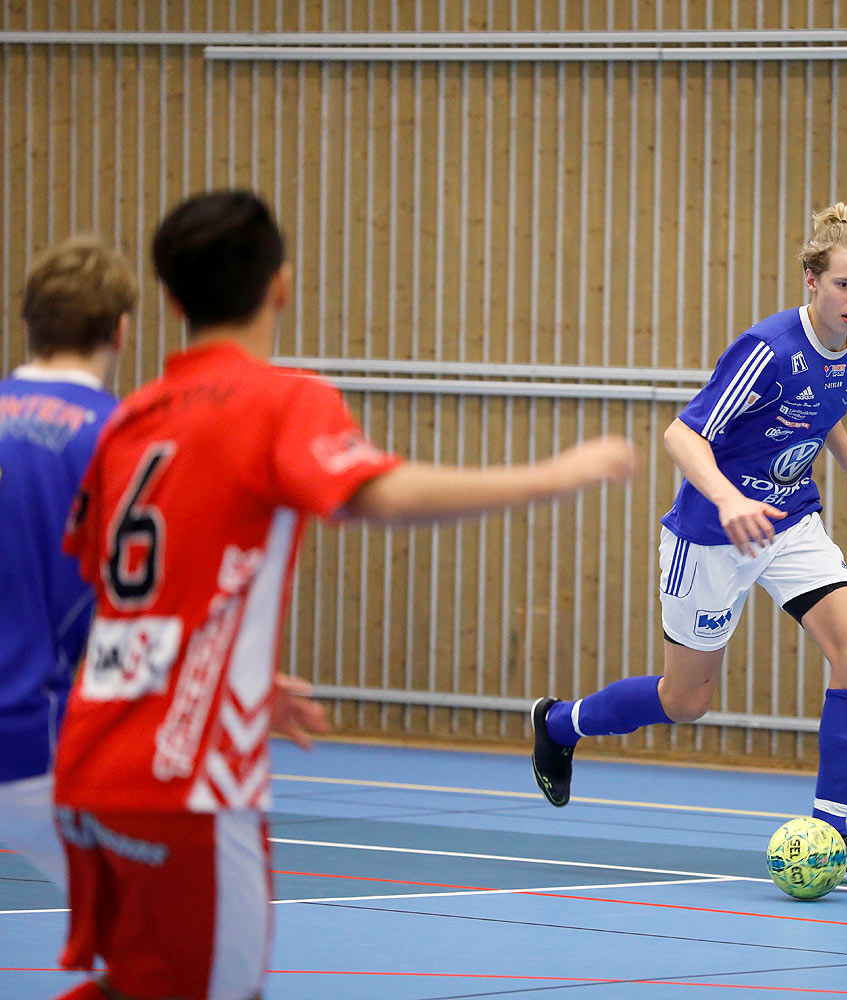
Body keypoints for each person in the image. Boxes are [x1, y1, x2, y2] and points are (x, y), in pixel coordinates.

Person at [51, 190, 637, 1000]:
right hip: (183, 785)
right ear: (282, 285)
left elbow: (113, 595)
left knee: (139, 981)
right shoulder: (280, 398)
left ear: (168, 298)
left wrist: (240, 682)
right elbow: (375, 494)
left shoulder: (130, 419)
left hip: (87, 765)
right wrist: (553, 476)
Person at [530, 203, 847, 886]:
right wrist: (730, 498)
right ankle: (561, 724)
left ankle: (832, 833)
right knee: (686, 702)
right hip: (713, 532)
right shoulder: (767, 348)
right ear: (810, 281)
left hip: (791, 519)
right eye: (843, 286)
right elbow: (684, 434)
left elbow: (825, 406)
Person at [0, 237, 136, 891]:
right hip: (33, 740)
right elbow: (138, 600)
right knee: (154, 948)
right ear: (121, 331)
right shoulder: (118, 439)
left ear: (26, 324)